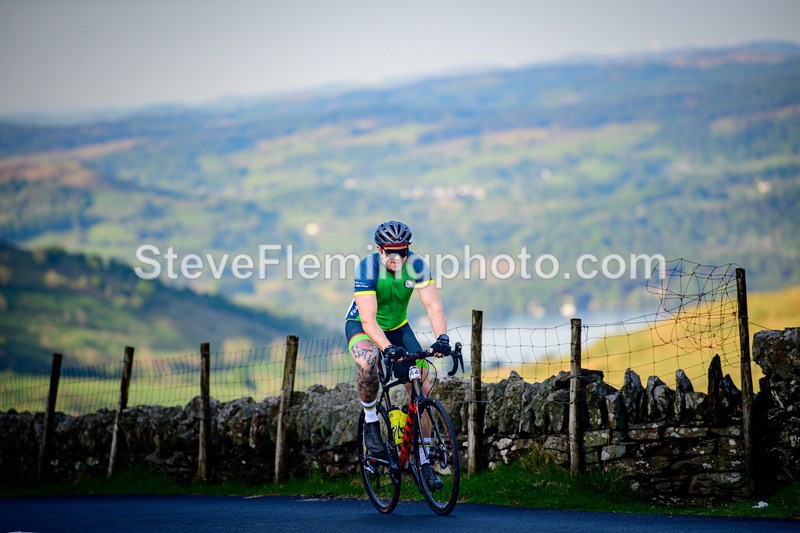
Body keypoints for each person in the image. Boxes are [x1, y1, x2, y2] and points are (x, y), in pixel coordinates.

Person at [344, 220, 452, 491]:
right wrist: (386, 348)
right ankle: (370, 421)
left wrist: (442, 338)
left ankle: (424, 461)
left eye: (402, 252)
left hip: (398, 327)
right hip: (364, 326)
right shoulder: (368, 268)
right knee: (368, 364)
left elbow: (433, 305)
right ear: (379, 250)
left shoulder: (416, 266)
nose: (396, 258)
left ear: (408, 250)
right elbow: (368, 320)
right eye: (390, 252)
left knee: (422, 382)